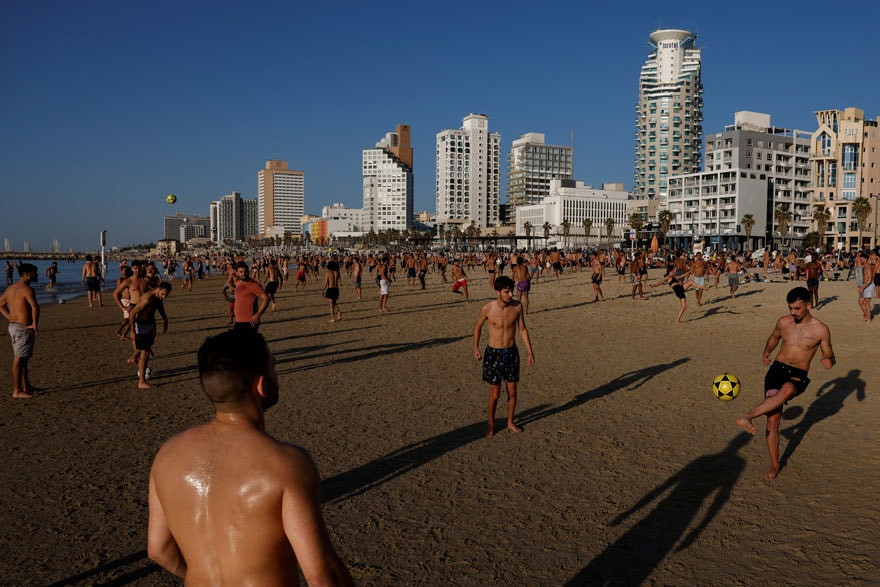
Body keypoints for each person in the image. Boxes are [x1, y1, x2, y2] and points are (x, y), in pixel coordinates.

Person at [147, 329, 353, 584]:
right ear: (262, 384)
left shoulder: (167, 454)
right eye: (273, 367)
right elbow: (322, 575)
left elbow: (159, 551)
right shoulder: (285, 464)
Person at [736, 287, 835, 480]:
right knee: (773, 419)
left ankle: (747, 416)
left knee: (788, 389)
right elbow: (774, 337)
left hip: (798, 373)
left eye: (797, 308)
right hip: (776, 370)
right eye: (790, 308)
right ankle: (775, 465)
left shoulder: (820, 329)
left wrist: (829, 360)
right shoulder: (784, 322)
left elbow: (829, 352)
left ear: (809, 305)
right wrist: (767, 352)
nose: (793, 312)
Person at [473, 276, 535, 437]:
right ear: (497, 292)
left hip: (511, 352)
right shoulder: (487, 308)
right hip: (493, 353)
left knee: (512, 392)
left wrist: (530, 351)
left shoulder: (517, 307)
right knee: (495, 394)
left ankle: (510, 422)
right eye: (507, 292)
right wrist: (476, 348)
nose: (510, 295)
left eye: (511, 291)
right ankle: (491, 425)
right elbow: (478, 327)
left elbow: (522, 329)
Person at [0, 263, 40, 398]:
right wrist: (35, 324)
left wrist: (10, 317)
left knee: (24, 358)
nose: (37, 275)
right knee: (19, 358)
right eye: (35, 272)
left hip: (14, 326)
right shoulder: (26, 289)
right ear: (27, 274)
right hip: (23, 327)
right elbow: (35, 307)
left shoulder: (11, 288)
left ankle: (26, 385)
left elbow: (1, 305)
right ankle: (17, 391)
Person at [129, 282, 172, 390]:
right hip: (141, 325)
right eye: (162, 294)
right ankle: (142, 381)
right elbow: (132, 313)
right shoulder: (147, 298)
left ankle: (133, 358)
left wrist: (165, 320)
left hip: (150, 324)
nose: (163, 297)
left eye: (166, 295)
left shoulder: (158, 298)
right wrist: (132, 331)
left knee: (146, 350)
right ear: (158, 289)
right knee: (145, 353)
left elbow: (159, 306)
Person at [227, 262, 269, 331]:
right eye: (241, 272)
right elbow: (232, 274)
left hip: (250, 321)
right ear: (237, 273)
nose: (243, 274)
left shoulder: (254, 284)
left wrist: (258, 314)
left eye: (245, 271)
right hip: (238, 320)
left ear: (248, 271)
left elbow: (266, 299)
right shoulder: (238, 283)